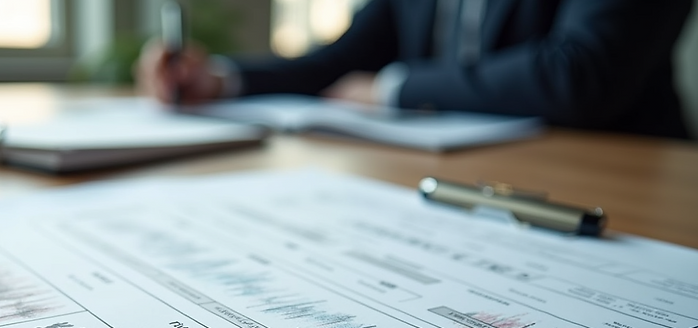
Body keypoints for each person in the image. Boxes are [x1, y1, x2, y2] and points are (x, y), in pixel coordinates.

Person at [136, 0, 693, 139]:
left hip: (622, 188)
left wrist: (397, 88)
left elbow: (581, 74)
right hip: (458, 184)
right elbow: (343, 60)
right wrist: (221, 81)